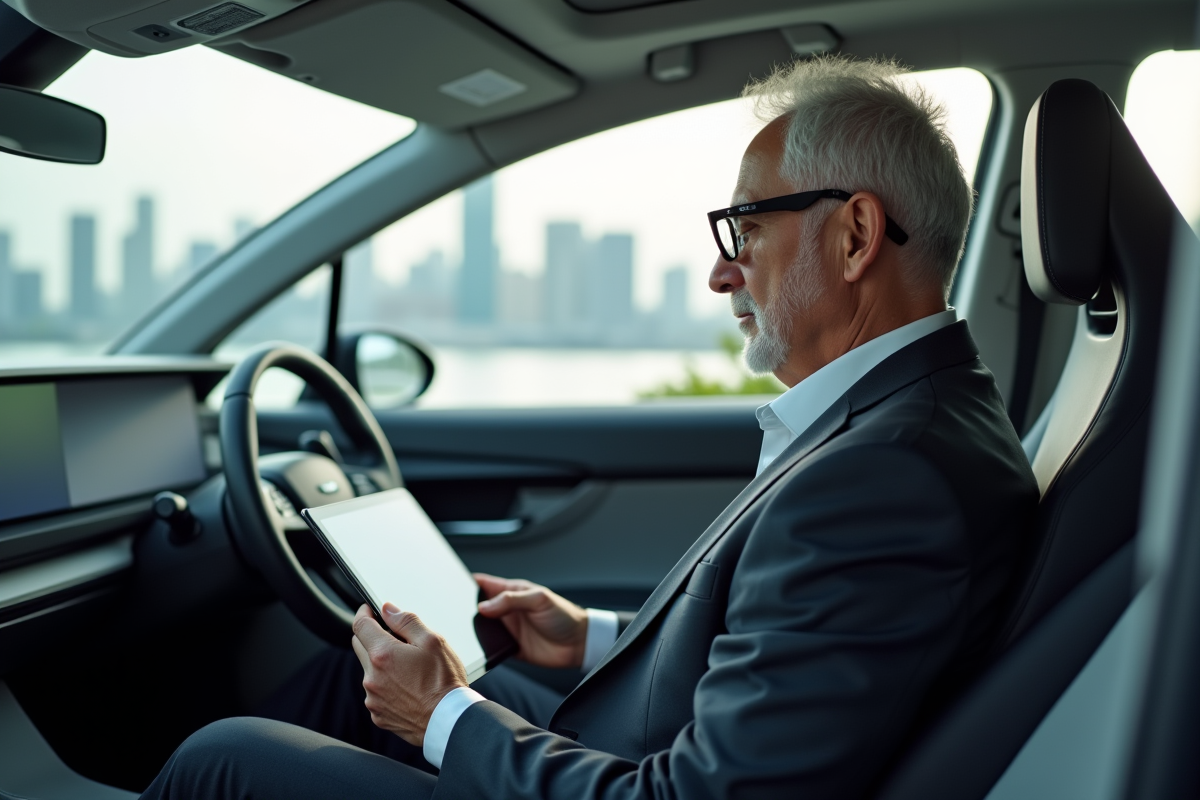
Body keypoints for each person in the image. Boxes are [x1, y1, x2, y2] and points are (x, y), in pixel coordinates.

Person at [141, 55, 1038, 800]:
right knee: (360, 672)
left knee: (224, 761)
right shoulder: (906, 421)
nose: (723, 275)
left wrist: (445, 714)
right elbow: (774, 656)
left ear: (854, 237)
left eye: (745, 230)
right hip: (629, 750)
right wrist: (591, 638)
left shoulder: (887, 477)